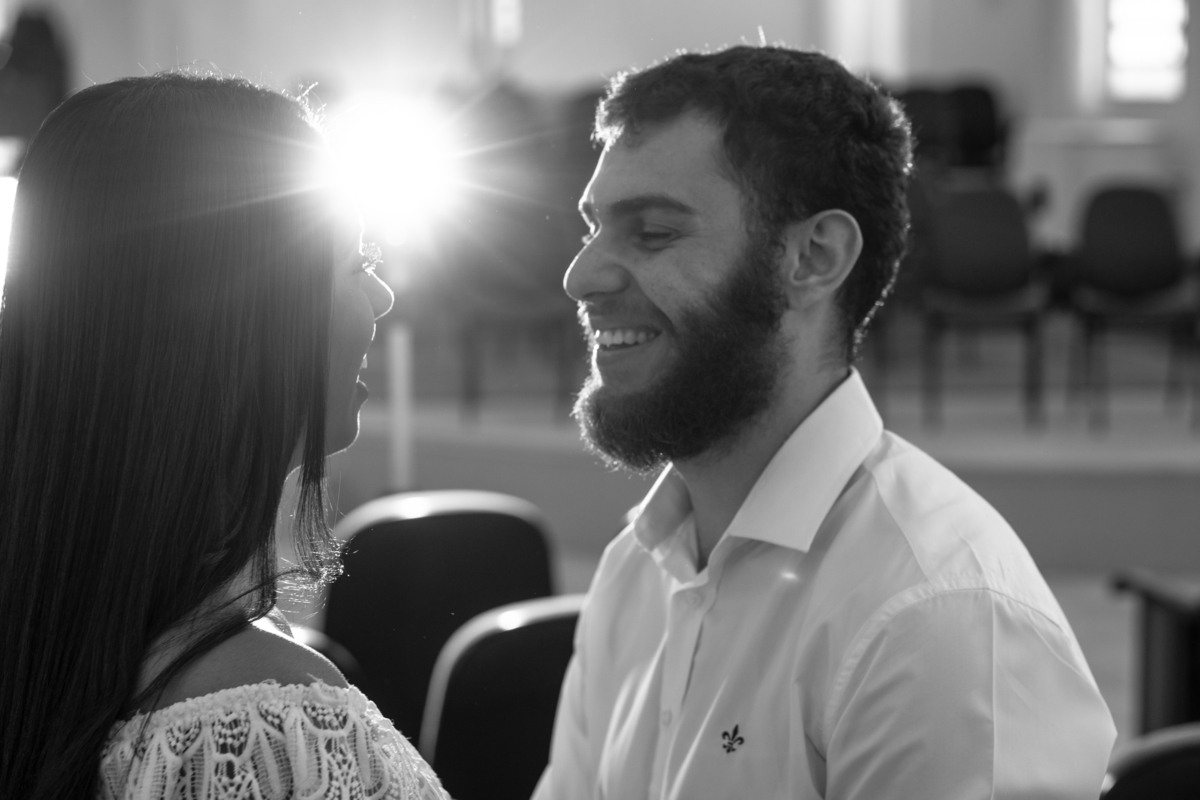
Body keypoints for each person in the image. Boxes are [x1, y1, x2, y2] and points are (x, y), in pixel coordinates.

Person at [535, 45, 1116, 799]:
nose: (581, 276)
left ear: (814, 257)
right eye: (593, 228)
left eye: (652, 233)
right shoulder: (635, 568)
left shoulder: (934, 613)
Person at [0, 73, 449, 799]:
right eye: (355, 264)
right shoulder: (262, 723)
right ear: (239, 315)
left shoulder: (52, 640)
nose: (382, 295)